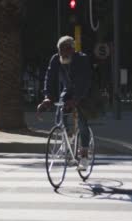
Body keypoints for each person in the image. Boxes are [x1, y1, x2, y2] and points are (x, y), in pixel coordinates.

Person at [37, 36, 92, 171]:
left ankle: (84, 156)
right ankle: (67, 136)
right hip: (68, 91)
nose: (63, 53)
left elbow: (84, 81)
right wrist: (47, 97)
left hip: (84, 92)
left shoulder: (82, 59)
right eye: (60, 50)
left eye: (66, 49)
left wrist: (76, 99)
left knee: (82, 122)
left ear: (73, 49)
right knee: (61, 110)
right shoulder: (56, 59)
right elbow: (49, 78)